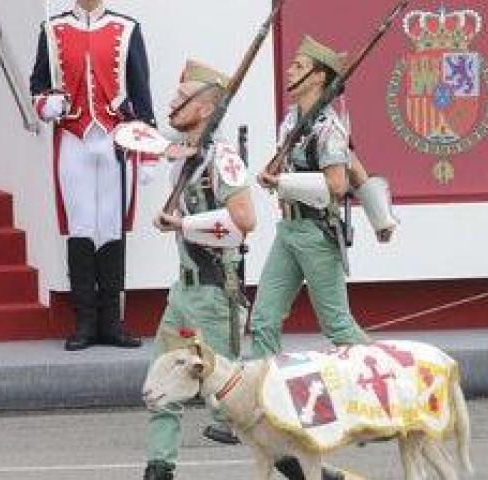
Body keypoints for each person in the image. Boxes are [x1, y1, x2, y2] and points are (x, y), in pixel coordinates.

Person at [142, 59, 256, 479]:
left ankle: (298, 462)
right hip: (184, 291)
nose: (172, 104)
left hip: (212, 291)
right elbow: (139, 138)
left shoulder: (222, 158)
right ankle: (159, 468)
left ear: (206, 108)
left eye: (182, 97)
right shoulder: (189, 153)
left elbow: (245, 219)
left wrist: (183, 224)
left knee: (234, 402)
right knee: (161, 384)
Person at [30, 0, 155, 350]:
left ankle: (112, 322)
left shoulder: (126, 28)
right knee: (81, 225)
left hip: (116, 137)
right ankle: (84, 322)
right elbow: (38, 84)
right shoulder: (52, 30)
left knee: (112, 225)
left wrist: (147, 151)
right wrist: (46, 104)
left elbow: (141, 91)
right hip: (73, 138)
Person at [254, 35, 370, 358]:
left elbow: (337, 184)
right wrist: (274, 175)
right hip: (288, 229)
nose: (290, 70)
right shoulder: (293, 119)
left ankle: (386, 373)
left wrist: (282, 182)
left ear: (318, 77)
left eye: (299, 66)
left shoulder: (329, 127)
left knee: (338, 326)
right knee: (263, 319)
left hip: (316, 232)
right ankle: (265, 385)